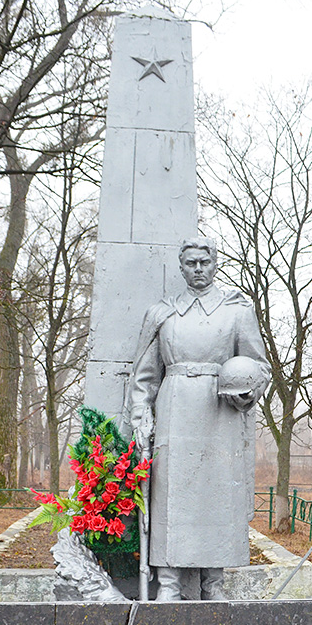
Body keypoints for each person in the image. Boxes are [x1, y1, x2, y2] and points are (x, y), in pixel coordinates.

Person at [125, 238, 271, 601]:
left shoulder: (236, 310)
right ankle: (170, 585)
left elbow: (259, 366)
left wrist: (247, 391)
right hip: (175, 408)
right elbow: (144, 375)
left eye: (204, 262)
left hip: (220, 412)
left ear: (215, 262)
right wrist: (142, 415)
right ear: (181, 267)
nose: (198, 269)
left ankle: (214, 584)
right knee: (171, 494)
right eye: (190, 263)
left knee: (216, 495)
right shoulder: (163, 312)